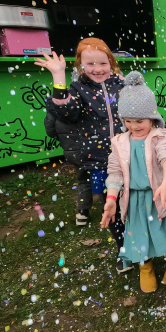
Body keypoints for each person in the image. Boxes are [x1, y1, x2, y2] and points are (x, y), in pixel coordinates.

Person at [35, 38, 131, 274]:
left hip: (130, 156)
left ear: (112, 62)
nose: (98, 68)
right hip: (100, 161)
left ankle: (143, 244)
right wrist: (59, 77)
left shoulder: (123, 86)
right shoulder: (78, 90)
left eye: (103, 62)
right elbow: (66, 111)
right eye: (90, 63)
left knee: (136, 202)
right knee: (112, 207)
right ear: (80, 65)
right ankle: (124, 250)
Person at [102, 72, 166, 293]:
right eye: (128, 121)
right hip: (134, 199)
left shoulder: (160, 135)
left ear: (152, 118)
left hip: (159, 195)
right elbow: (115, 171)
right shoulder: (119, 142)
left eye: (139, 121)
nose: (134, 126)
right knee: (137, 234)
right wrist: (111, 198)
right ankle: (145, 267)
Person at [44, 87, 93, 226]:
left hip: (72, 150)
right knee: (100, 178)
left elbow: (50, 130)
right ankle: (107, 208)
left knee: (84, 180)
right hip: (92, 148)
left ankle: (82, 213)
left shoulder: (56, 103)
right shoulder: (86, 99)